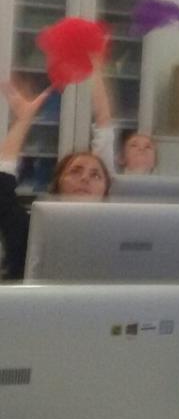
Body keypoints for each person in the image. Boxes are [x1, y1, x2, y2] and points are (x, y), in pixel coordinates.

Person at [0, 68, 115, 280]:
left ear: (106, 190)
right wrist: (23, 120)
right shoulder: (31, 230)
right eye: (75, 171)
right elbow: (2, 187)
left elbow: (105, 132)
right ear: (57, 183)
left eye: (95, 175)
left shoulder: (117, 235)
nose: (85, 178)